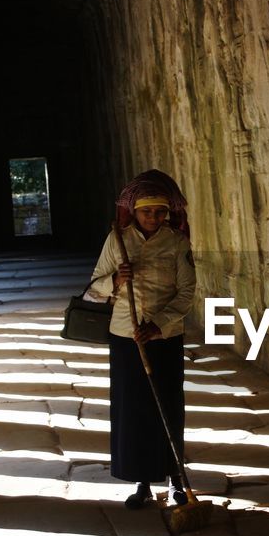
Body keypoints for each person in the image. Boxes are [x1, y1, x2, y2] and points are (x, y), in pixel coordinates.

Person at [88, 172, 196, 509]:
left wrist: (159, 325)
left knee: (168, 407)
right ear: (134, 212)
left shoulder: (177, 243)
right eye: (147, 212)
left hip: (164, 338)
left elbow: (187, 291)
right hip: (126, 337)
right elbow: (94, 288)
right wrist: (116, 280)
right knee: (133, 410)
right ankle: (142, 480)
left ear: (167, 214)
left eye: (159, 213)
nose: (153, 218)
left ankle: (177, 478)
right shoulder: (116, 241)